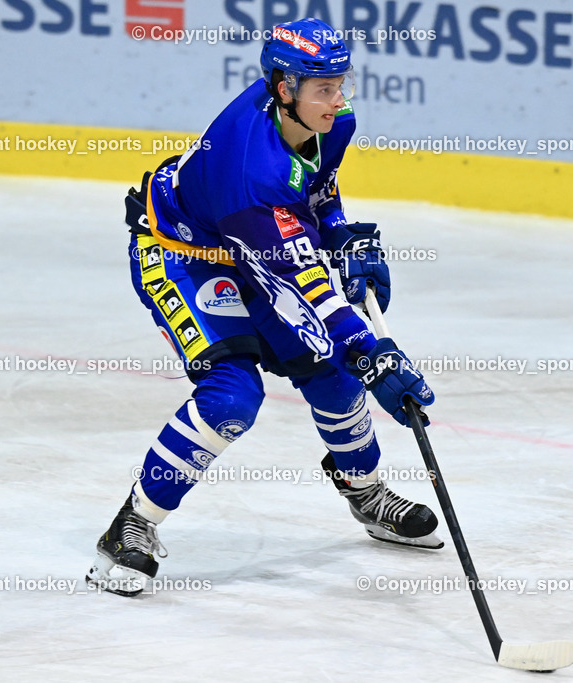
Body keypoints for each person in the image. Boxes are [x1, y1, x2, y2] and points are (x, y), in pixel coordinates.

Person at [86, 18, 439, 597]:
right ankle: (133, 523)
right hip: (183, 253)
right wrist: (373, 354)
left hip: (247, 241)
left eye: (341, 83)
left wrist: (343, 235)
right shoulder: (248, 170)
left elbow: (316, 195)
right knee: (232, 398)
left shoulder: (327, 120)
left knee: (332, 379)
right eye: (323, 87)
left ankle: (366, 491)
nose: (338, 99)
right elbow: (303, 284)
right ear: (283, 88)